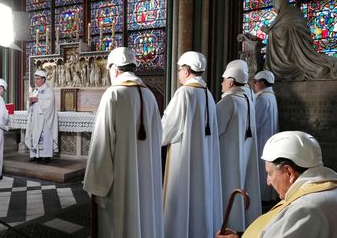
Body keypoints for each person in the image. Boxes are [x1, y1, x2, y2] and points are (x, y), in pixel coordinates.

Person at [83, 47, 164, 238]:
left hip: (121, 181)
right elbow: (159, 136)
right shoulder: (150, 95)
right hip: (147, 177)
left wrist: (96, 184)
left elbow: (101, 145)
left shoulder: (114, 94)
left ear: (115, 70)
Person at [217, 131, 337, 238]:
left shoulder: (305, 208)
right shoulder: (330, 188)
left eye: (269, 173)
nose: (268, 182)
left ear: (289, 172)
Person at [161, 51, 223, 238]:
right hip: (203, 156)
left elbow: (167, 127)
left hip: (184, 155)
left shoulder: (184, 93)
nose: (179, 73)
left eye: (180, 69)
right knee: (199, 193)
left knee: (182, 195)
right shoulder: (208, 94)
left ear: (187, 71)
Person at [216, 64, 262, 232]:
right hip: (242, 153)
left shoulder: (229, 101)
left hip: (228, 156)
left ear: (231, 81)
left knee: (228, 188)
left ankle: (229, 224)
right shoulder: (247, 99)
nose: (222, 84)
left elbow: (215, 129)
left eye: (223, 80)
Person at [261, 0, 337, 81]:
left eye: (274, 4)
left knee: (318, 68)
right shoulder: (285, 14)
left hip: (294, 53)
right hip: (287, 51)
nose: (274, 7)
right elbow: (283, 29)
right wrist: (271, 31)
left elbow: (290, 29)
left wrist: (269, 31)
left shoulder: (292, 12)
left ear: (280, 2)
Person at [253, 70, 279, 202]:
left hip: (261, 139)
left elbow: (255, 122)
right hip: (268, 138)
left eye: (255, 82)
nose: (254, 85)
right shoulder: (271, 96)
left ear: (262, 83)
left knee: (260, 169)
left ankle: (262, 197)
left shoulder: (263, 98)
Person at [25, 69, 58, 164]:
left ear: (44, 79)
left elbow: (49, 104)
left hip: (44, 119)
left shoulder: (49, 90)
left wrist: (38, 100)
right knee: (34, 136)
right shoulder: (35, 90)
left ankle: (45, 156)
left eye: (38, 79)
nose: (36, 81)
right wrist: (29, 101)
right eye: (35, 79)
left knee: (45, 137)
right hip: (35, 118)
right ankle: (36, 156)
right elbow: (31, 102)